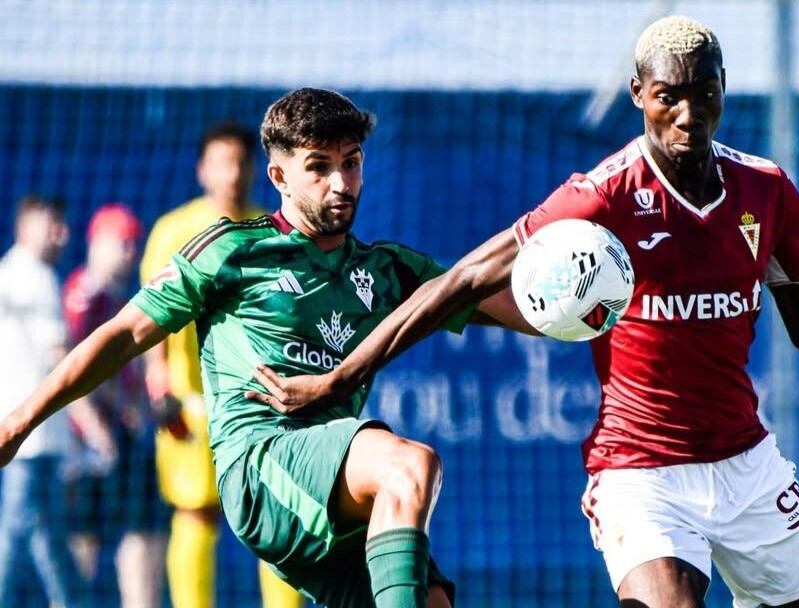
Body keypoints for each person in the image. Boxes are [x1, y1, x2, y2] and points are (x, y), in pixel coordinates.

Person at [243, 16, 799, 608]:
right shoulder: (604, 194)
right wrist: (342, 375)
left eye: (703, 90)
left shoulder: (766, 191)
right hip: (641, 474)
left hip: (748, 467)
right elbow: (464, 279)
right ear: (641, 96)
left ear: (723, 90)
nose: (687, 111)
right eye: (669, 94)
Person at [0, 87, 526, 608]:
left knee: (432, 600)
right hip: (260, 463)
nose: (340, 183)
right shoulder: (232, 249)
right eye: (318, 167)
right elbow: (124, 334)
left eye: (351, 162)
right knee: (409, 466)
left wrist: (590, 304)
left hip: (335, 489)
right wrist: (19, 421)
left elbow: (511, 303)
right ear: (279, 177)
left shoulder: (388, 269)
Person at [139, 122, 304, 608]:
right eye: (221, 163)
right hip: (193, 409)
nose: (232, 173)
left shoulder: (275, 229)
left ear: (256, 169)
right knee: (196, 515)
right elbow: (149, 315)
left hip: (262, 405)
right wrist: (158, 379)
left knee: (278, 516)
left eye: (240, 162)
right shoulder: (173, 229)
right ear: (203, 170)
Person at [63, 203, 168, 607]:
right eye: (122, 244)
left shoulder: (119, 299)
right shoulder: (82, 295)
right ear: (97, 243)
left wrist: (144, 407)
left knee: (145, 529)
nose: (130, 253)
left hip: (122, 438)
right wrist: (98, 427)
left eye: (134, 245)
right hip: (91, 444)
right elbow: (70, 367)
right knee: (81, 539)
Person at [0, 195, 83, 606]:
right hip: (30, 437)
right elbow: (62, 360)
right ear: (25, 227)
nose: (62, 235)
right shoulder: (35, 278)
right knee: (20, 531)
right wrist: (93, 422)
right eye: (52, 226)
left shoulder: (9, 275)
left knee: (38, 531)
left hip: (29, 434)